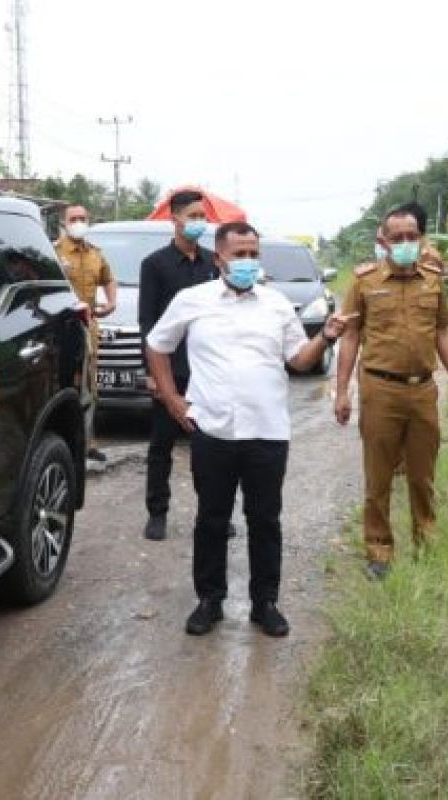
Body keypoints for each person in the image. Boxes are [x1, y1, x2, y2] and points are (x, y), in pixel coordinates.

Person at [145, 221, 349, 636]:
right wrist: (172, 398)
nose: (248, 262)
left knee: (265, 520)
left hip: (268, 431)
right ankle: (210, 600)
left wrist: (326, 338)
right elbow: (157, 344)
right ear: (218, 257)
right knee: (212, 519)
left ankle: (264, 603)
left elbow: (299, 360)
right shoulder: (192, 300)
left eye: (253, 254)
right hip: (214, 431)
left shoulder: (276, 305)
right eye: (239, 254)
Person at [335, 204, 448, 580]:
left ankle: (426, 542)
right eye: (397, 238)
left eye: (412, 237)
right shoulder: (364, 282)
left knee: (422, 475)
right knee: (378, 477)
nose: (405, 243)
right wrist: (342, 392)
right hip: (379, 388)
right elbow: (349, 337)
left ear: (421, 239)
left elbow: (443, 333)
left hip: (422, 390)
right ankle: (379, 551)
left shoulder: (432, 280)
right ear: (383, 241)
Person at [137, 189, 219, 541]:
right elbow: (147, 322)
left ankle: (213, 512)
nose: (199, 222)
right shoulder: (154, 265)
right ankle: (157, 513)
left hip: (208, 370)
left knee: (212, 447)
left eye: (204, 216)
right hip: (169, 370)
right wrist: (153, 374)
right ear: (175, 219)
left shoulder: (214, 263)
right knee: (161, 447)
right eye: (193, 216)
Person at [54, 204, 117, 469]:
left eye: (82, 218)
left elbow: (109, 279)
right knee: (64, 383)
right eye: (73, 219)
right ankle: (63, 442)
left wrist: (111, 302)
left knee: (90, 386)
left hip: (89, 326)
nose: (78, 222)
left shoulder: (95, 254)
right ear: (63, 222)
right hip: (60, 328)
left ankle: (87, 443)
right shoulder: (54, 252)